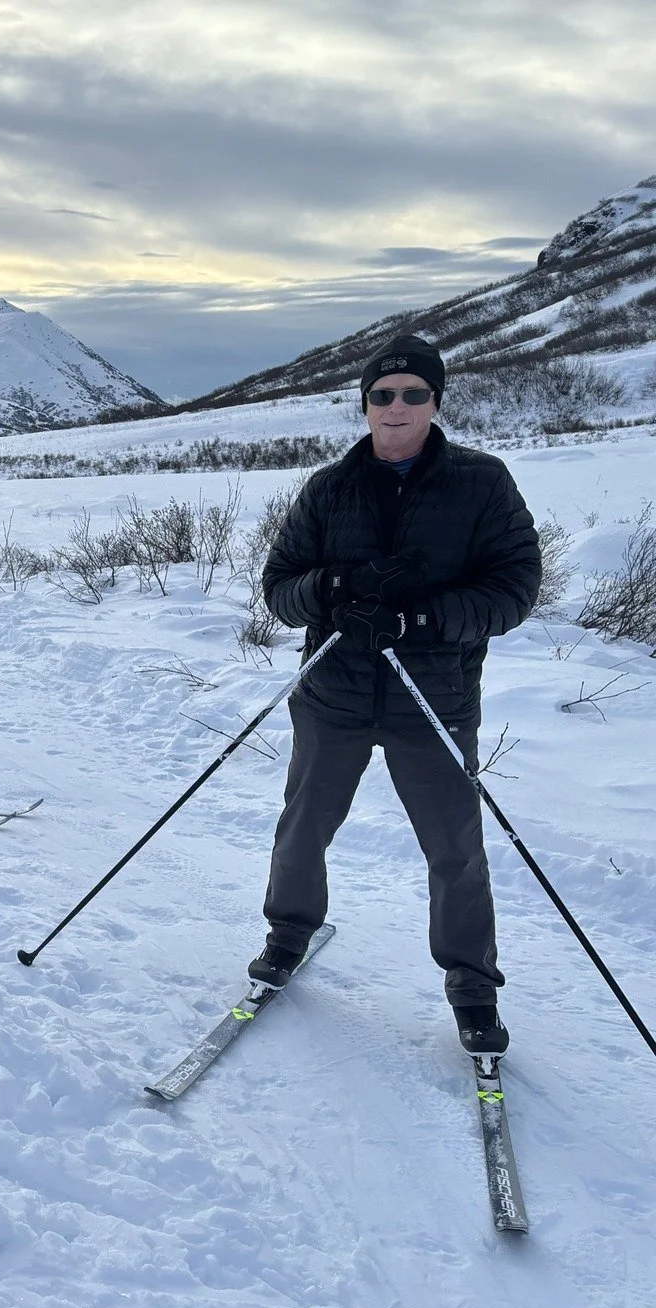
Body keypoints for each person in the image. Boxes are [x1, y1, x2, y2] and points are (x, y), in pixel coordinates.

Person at [257, 335, 541, 1055]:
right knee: (303, 830)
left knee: (455, 850)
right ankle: (289, 934)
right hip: (334, 695)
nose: (397, 406)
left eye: (414, 393)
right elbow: (280, 589)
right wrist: (333, 590)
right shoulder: (330, 487)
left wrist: (422, 617)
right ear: (365, 404)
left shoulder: (483, 483)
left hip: (433, 700)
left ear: (437, 402)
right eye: (383, 395)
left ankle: (473, 986)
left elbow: (512, 591)